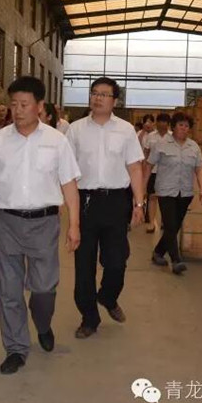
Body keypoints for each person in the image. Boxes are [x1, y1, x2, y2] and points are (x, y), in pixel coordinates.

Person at [0, 76, 81, 375]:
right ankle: (16, 348)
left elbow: (69, 184)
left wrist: (74, 224)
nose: (17, 110)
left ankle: (42, 324)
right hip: (7, 222)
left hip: (44, 222)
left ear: (39, 106)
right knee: (9, 290)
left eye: (24, 104)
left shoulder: (57, 141)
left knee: (44, 288)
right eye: (13, 104)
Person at [66, 77, 145, 340]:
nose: (98, 98)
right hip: (85, 201)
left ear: (115, 100)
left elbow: (135, 168)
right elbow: (67, 171)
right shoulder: (75, 130)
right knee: (84, 266)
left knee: (116, 261)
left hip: (116, 202)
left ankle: (108, 297)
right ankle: (89, 318)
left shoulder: (125, 130)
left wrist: (139, 203)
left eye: (104, 94)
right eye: (94, 93)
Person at [144, 112, 202, 275]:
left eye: (187, 126)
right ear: (174, 126)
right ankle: (176, 260)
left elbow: (199, 168)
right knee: (170, 225)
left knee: (174, 227)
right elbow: (149, 165)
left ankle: (158, 252)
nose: (184, 128)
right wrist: (142, 187)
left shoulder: (193, 147)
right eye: (181, 125)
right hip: (166, 191)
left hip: (185, 192)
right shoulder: (161, 144)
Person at [143, 113, 171, 233]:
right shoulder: (150, 136)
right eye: (160, 121)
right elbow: (146, 152)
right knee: (152, 197)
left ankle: (165, 222)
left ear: (168, 124)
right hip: (153, 171)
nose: (162, 124)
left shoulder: (172, 137)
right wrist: (144, 168)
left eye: (164, 122)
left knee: (166, 198)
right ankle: (151, 223)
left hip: (168, 172)